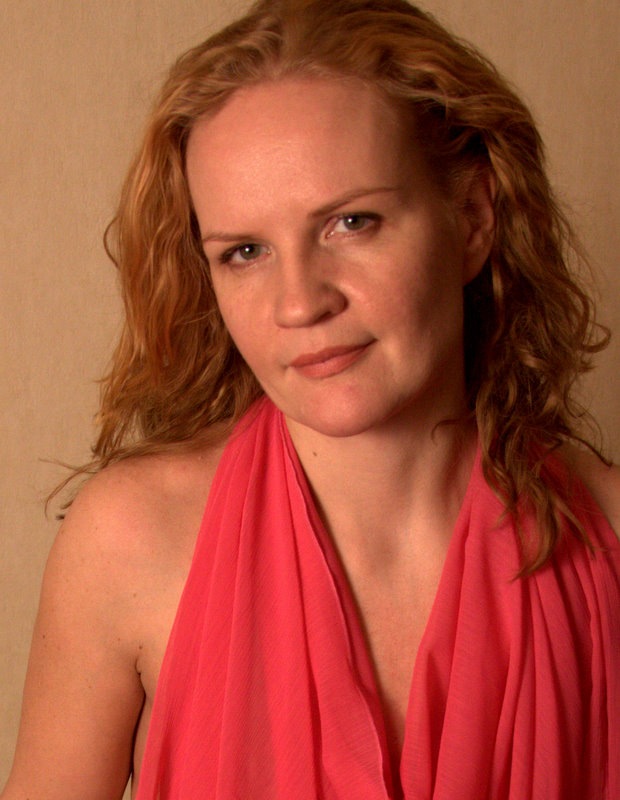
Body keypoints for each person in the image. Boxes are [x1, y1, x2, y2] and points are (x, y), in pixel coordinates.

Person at [2, 0, 619, 798]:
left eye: (352, 222)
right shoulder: (129, 542)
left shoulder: (608, 536)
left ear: (472, 219)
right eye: (245, 251)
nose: (299, 303)